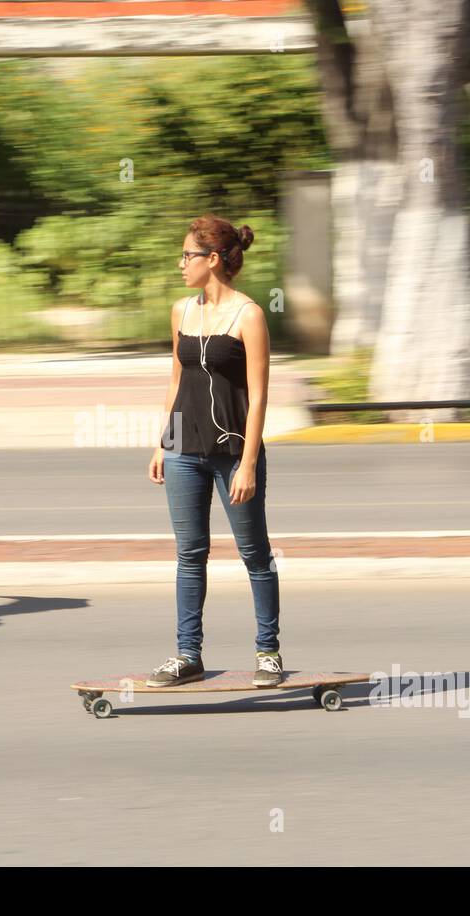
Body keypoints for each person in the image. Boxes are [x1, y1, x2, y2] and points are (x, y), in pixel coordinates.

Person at [145, 214, 282, 687]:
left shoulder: (249, 315)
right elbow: (177, 380)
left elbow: (260, 395)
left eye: (188, 255)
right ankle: (188, 655)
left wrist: (247, 463)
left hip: (232, 453)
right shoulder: (181, 311)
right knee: (189, 555)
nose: (181, 263)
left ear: (214, 259)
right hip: (184, 448)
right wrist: (164, 442)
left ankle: (268, 652)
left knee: (254, 554)